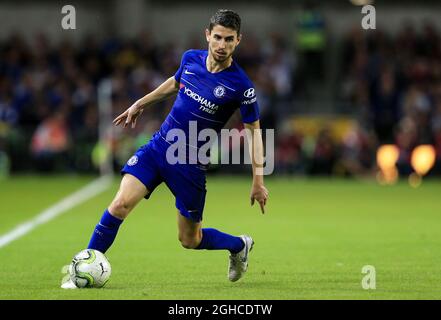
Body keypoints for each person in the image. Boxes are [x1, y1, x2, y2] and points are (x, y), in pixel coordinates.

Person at [63, 9, 268, 288]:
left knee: (189, 240)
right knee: (120, 204)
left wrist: (258, 180)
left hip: (189, 163)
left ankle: (238, 246)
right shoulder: (190, 59)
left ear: (238, 41)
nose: (222, 45)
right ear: (207, 35)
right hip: (159, 147)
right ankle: (84, 266)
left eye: (229, 40)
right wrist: (139, 104)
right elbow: (173, 84)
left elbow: (254, 132)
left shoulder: (241, 86)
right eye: (217, 37)